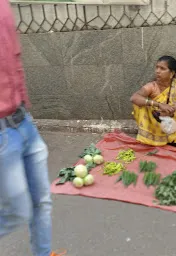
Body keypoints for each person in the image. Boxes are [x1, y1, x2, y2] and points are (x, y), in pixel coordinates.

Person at [0, 1, 66, 255]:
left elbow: (14, 58)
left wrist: (25, 107)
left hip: (23, 122)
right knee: (17, 213)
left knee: (42, 203)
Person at [130, 56, 176, 158]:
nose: (157, 71)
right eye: (157, 67)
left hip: (175, 122)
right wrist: (158, 104)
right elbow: (134, 97)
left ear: (172, 73)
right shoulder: (152, 86)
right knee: (139, 104)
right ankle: (153, 141)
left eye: (162, 68)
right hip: (156, 124)